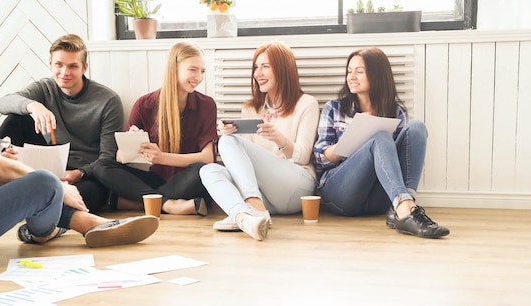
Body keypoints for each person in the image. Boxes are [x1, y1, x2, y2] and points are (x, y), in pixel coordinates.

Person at [0, 24, 159, 271]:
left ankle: (82, 223)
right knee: (44, 184)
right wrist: (59, 188)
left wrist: (0, 156)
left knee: (17, 173)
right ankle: (45, 231)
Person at [312, 47, 449, 238]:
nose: (351, 77)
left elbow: (401, 162)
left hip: (379, 197)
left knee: (417, 128)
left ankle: (404, 208)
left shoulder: (396, 111)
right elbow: (320, 160)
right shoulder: (334, 108)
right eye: (349, 72)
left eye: (359, 72)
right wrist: (355, 139)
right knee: (380, 137)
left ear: (377, 75)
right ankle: (406, 210)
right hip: (341, 194)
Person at [199, 40, 319, 241]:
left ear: (283, 69)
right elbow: (245, 168)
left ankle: (252, 208)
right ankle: (244, 216)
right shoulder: (250, 109)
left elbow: (304, 155)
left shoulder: (306, 103)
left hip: (297, 185)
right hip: (264, 195)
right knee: (208, 169)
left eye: (265, 66)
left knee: (228, 141)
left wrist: (278, 138)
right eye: (256, 67)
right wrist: (230, 133)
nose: (257, 73)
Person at [0, 33, 121, 213]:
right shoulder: (45, 87)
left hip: (84, 174)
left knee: (85, 198)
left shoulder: (108, 100)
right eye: (59, 64)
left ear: (84, 68)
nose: (64, 72)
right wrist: (33, 106)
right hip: (47, 164)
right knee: (16, 117)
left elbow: (107, 157)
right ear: (50, 63)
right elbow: (3, 103)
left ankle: (43, 216)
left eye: (73, 66)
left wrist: (77, 174)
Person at [93, 41, 218, 216]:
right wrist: (132, 142)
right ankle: (168, 204)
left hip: (187, 180)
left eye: (202, 71)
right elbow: (120, 157)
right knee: (101, 166)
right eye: (193, 69)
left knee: (202, 170)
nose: (199, 77)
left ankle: (139, 204)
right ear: (174, 68)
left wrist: (161, 158)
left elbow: (208, 158)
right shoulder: (145, 104)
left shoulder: (207, 105)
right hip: (156, 181)